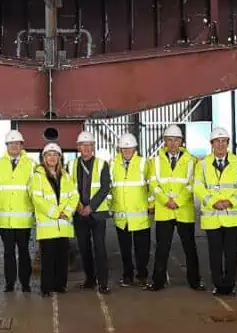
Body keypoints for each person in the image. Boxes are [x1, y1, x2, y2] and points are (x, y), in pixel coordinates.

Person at [193, 127, 237, 296]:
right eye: (217, 141)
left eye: (223, 141)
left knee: (232, 254)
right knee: (215, 253)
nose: (220, 144)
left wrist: (230, 202)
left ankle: (230, 284)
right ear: (211, 144)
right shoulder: (202, 164)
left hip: (232, 217)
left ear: (228, 143)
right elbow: (198, 186)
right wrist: (212, 202)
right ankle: (218, 284)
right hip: (212, 217)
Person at [146, 125, 204, 292]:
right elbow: (153, 183)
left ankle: (195, 281)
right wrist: (165, 200)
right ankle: (158, 281)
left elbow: (193, 183)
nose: (173, 144)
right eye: (169, 140)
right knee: (162, 248)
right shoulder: (155, 161)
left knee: (190, 248)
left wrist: (177, 201)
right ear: (164, 141)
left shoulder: (191, 161)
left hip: (184, 210)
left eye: (176, 140)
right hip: (164, 211)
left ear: (181, 142)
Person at [28, 142, 78, 297]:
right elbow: (37, 199)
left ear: (59, 158)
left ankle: (60, 285)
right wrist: (56, 212)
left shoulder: (66, 176)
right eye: (49, 155)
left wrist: (67, 211)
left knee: (62, 257)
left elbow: (74, 195)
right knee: (48, 258)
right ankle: (46, 287)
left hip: (63, 224)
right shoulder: (37, 177)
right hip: (48, 225)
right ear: (44, 158)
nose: (52, 158)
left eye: (55, 155)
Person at [0, 129, 35, 292]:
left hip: (23, 218)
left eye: (17, 143)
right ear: (6, 146)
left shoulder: (31, 165)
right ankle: (9, 283)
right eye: (11, 143)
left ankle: (25, 283)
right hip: (4, 219)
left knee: (24, 252)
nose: (14, 146)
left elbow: (36, 190)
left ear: (22, 145)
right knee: (8, 252)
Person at [67, 131, 112, 294]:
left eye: (89, 145)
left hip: (97, 213)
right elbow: (69, 188)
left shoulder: (102, 164)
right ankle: (90, 280)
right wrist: (78, 206)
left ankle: (103, 283)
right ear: (78, 147)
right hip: (79, 213)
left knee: (100, 248)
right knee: (84, 248)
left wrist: (90, 207)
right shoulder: (71, 165)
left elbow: (105, 187)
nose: (86, 148)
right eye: (83, 145)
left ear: (93, 147)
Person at [110, 132, 152, 287]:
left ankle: (142, 275)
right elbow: (110, 188)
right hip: (122, 216)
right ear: (119, 149)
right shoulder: (113, 164)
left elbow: (151, 185)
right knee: (125, 250)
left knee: (142, 249)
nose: (127, 151)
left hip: (140, 214)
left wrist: (151, 204)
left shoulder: (143, 163)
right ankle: (127, 275)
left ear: (135, 149)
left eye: (130, 148)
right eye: (124, 148)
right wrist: (110, 206)